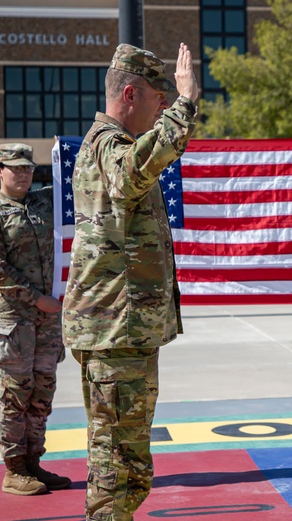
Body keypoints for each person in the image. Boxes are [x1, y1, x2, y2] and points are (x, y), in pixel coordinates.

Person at [64, 42, 199, 520]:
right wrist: (185, 105)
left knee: (127, 457)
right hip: (113, 329)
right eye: (157, 97)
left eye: (168, 98)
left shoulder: (112, 145)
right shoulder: (108, 147)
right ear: (129, 93)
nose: (163, 105)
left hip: (124, 330)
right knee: (118, 461)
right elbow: (131, 173)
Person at [0, 143, 70, 496]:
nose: (25, 174)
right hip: (12, 321)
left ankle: (33, 463)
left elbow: (78, 182)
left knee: (42, 391)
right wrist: (37, 299)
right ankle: (14, 469)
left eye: (29, 168)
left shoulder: (45, 204)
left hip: (46, 323)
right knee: (15, 393)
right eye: (16, 169)